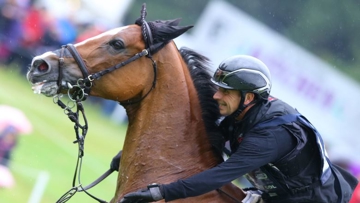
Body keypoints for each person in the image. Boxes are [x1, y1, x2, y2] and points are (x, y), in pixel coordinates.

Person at [116, 55, 358, 203]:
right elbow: (192, 142)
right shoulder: (240, 114)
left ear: (249, 97)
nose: (216, 95)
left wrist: (161, 193)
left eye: (225, 91)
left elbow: (219, 176)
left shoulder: (271, 135)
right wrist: (126, 156)